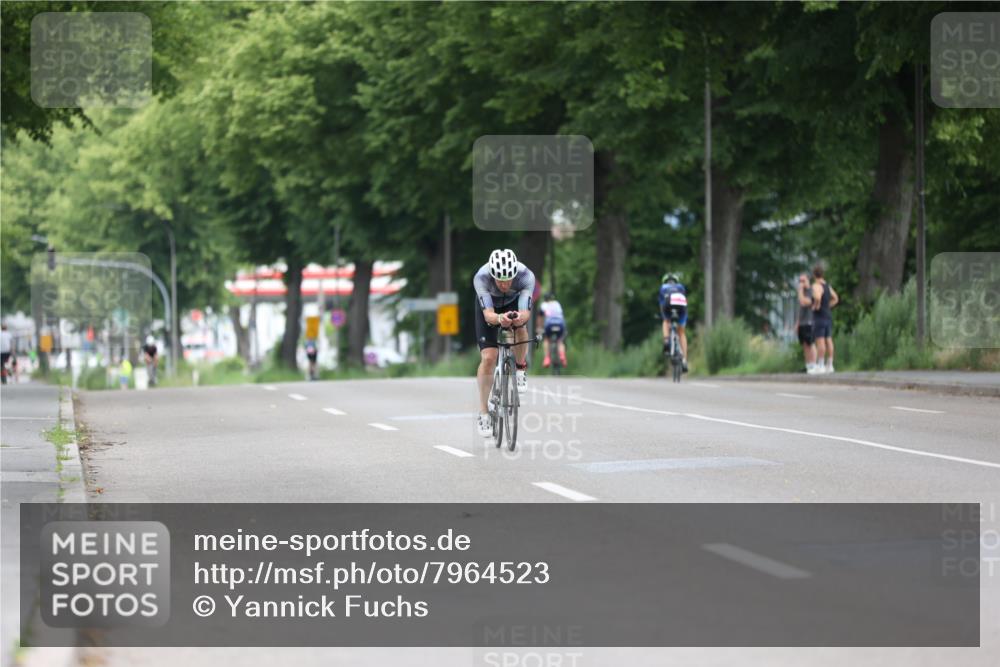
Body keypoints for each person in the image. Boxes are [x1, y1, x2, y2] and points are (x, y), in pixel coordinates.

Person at [474, 248, 536, 437]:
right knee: (489, 357)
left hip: (513, 302)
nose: (504, 283)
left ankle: (520, 367)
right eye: (499, 279)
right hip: (490, 307)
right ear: (492, 274)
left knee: (521, 327)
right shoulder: (481, 277)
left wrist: (518, 317)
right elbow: (488, 315)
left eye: (508, 279)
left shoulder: (526, 276)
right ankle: (484, 412)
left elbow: (526, 312)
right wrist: (500, 319)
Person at [811, 264, 839, 373]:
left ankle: (820, 365)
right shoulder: (827, 285)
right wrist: (827, 306)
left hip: (819, 316)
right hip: (827, 315)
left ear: (814, 274)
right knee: (829, 340)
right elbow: (835, 298)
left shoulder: (816, 285)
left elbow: (817, 296)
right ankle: (830, 365)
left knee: (820, 341)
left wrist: (816, 306)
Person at [658, 273, 688, 372]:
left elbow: (662, 305)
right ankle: (684, 360)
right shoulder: (681, 287)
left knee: (666, 321)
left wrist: (665, 318)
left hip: (668, 305)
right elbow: (685, 301)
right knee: (682, 333)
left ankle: (666, 340)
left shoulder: (663, 287)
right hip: (681, 307)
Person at [536, 291, 567, 369]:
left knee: (546, 339)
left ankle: (547, 358)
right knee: (560, 341)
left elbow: (540, 318)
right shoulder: (557, 303)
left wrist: (539, 328)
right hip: (560, 323)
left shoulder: (543, 305)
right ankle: (562, 356)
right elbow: (561, 315)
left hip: (549, 324)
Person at [795, 273, 819, 374]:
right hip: (802, 322)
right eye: (800, 281)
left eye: (803, 281)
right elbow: (800, 309)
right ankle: (808, 365)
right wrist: (797, 323)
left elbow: (805, 302)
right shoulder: (802, 292)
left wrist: (800, 291)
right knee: (805, 344)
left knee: (811, 343)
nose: (801, 283)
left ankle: (814, 364)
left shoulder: (809, 291)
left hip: (809, 321)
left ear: (808, 281)